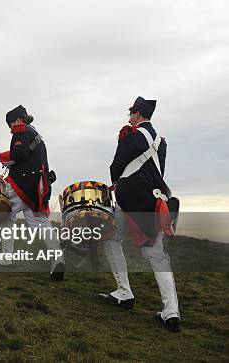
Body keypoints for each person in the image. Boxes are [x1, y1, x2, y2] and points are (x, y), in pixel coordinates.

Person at [98, 96, 180, 332]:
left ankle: (124, 291)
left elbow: (116, 165)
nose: (129, 118)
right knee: (157, 256)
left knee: (111, 237)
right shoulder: (160, 142)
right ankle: (171, 312)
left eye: (131, 114)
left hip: (130, 198)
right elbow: (158, 170)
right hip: (153, 200)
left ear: (136, 115)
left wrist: (117, 182)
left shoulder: (129, 134)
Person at [0, 105, 65, 280]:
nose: (11, 128)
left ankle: (7, 256)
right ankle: (58, 260)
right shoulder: (35, 133)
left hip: (20, 185)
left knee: (4, 214)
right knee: (42, 224)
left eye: (10, 124)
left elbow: (20, 153)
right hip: (38, 188)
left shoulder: (21, 130)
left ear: (16, 121)